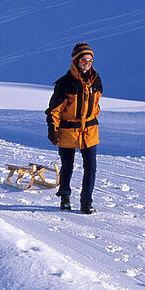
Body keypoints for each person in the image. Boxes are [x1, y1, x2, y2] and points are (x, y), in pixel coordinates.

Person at [46, 42, 102, 214]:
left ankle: (86, 203)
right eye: (84, 60)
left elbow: (96, 104)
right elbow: (54, 110)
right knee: (67, 166)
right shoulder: (65, 83)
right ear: (76, 61)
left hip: (89, 131)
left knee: (91, 167)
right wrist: (53, 129)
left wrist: (91, 118)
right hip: (68, 131)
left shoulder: (96, 80)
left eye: (90, 60)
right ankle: (65, 197)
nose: (87, 64)